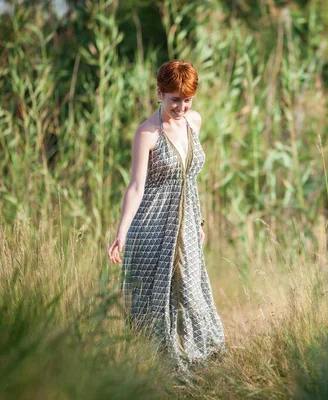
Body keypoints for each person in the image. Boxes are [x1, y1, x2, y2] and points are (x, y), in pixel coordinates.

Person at [107, 60, 226, 372]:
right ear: (159, 94)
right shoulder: (147, 133)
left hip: (184, 227)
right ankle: (152, 368)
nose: (182, 107)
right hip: (151, 229)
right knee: (152, 302)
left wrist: (197, 221)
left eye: (187, 100)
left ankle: (200, 360)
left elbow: (190, 179)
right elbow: (135, 186)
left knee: (191, 292)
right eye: (175, 99)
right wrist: (121, 232)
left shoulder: (194, 122)